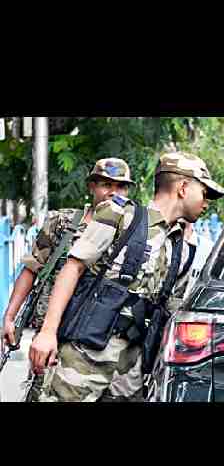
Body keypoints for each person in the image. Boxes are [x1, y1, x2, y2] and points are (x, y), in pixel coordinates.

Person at [28, 152, 224, 402]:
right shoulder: (122, 215)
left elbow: (172, 312)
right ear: (184, 188)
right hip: (83, 355)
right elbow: (73, 268)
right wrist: (47, 333)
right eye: (204, 193)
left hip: (131, 370)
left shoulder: (181, 247)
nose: (207, 202)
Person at [2, 159, 134, 402]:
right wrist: (9, 317)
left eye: (121, 187)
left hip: (98, 340)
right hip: (56, 334)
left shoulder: (133, 232)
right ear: (91, 187)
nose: (113, 192)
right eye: (106, 184)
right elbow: (31, 269)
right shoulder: (63, 222)